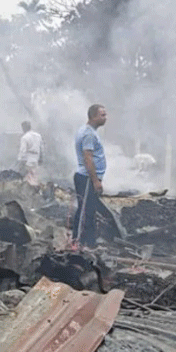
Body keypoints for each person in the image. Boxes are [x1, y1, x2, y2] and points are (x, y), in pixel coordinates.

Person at [72, 104, 109, 250]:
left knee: (86, 210)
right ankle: (86, 244)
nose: (105, 118)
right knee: (87, 212)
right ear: (93, 116)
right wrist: (95, 181)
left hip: (87, 178)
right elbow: (88, 158)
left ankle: (80, 241)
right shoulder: (88, 134)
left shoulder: (88, 131)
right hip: (87, 179)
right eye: (102, 115)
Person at [17, 121, 43, 187]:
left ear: (23, 128)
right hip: (36, 159)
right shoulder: (38, 136)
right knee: (34, 177)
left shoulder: (24, 137)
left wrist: (20, 161)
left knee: (27, 179)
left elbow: (23, 151)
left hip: (28, 160)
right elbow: (41, 148)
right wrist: (41, 159)